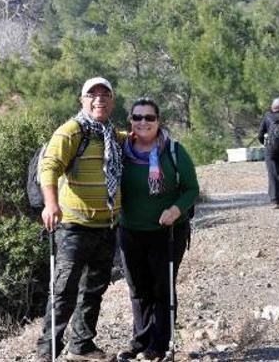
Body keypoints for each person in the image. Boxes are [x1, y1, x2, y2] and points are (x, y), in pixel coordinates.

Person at [36, 77, 124, 362]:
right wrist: (50, 204)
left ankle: (81, 346)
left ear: (112, 100)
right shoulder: (71, 131)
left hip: (106, 226)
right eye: (92, 95)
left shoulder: (110, 134)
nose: (99, 99)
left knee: (94, 290)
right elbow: (48, 166)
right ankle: (47, 352)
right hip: (74, 226)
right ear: (82, 100)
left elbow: (135, 141)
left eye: (105, 94)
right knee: (63, 291)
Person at [116, 98, 199, 361]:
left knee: (162, 288)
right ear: (130, 121)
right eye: (137, 117)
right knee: (138, 288)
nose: (143, 122)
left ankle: (160, 344)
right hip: (130, 230)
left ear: (158, 121)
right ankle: (140, 341)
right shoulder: (120, 151)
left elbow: (191, 189)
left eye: (149, 118)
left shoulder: (174, 151)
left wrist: (175, 210)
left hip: (168, 232)